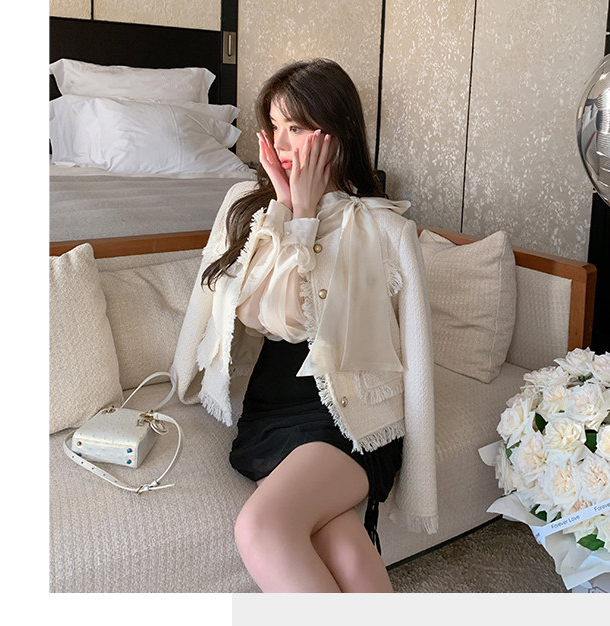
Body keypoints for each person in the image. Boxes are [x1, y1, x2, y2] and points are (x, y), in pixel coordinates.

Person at [171, 59, 437, 592]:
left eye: (297, 127)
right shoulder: (247, 208)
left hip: (353, 423)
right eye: (275, 127)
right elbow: (269, 317)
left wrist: (307, 214)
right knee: (344, 546)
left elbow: (416, 357)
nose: (282, 144)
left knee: (262, 526)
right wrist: (292, 212)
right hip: (271, 414)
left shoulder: (385, 229)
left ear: (339, 131)